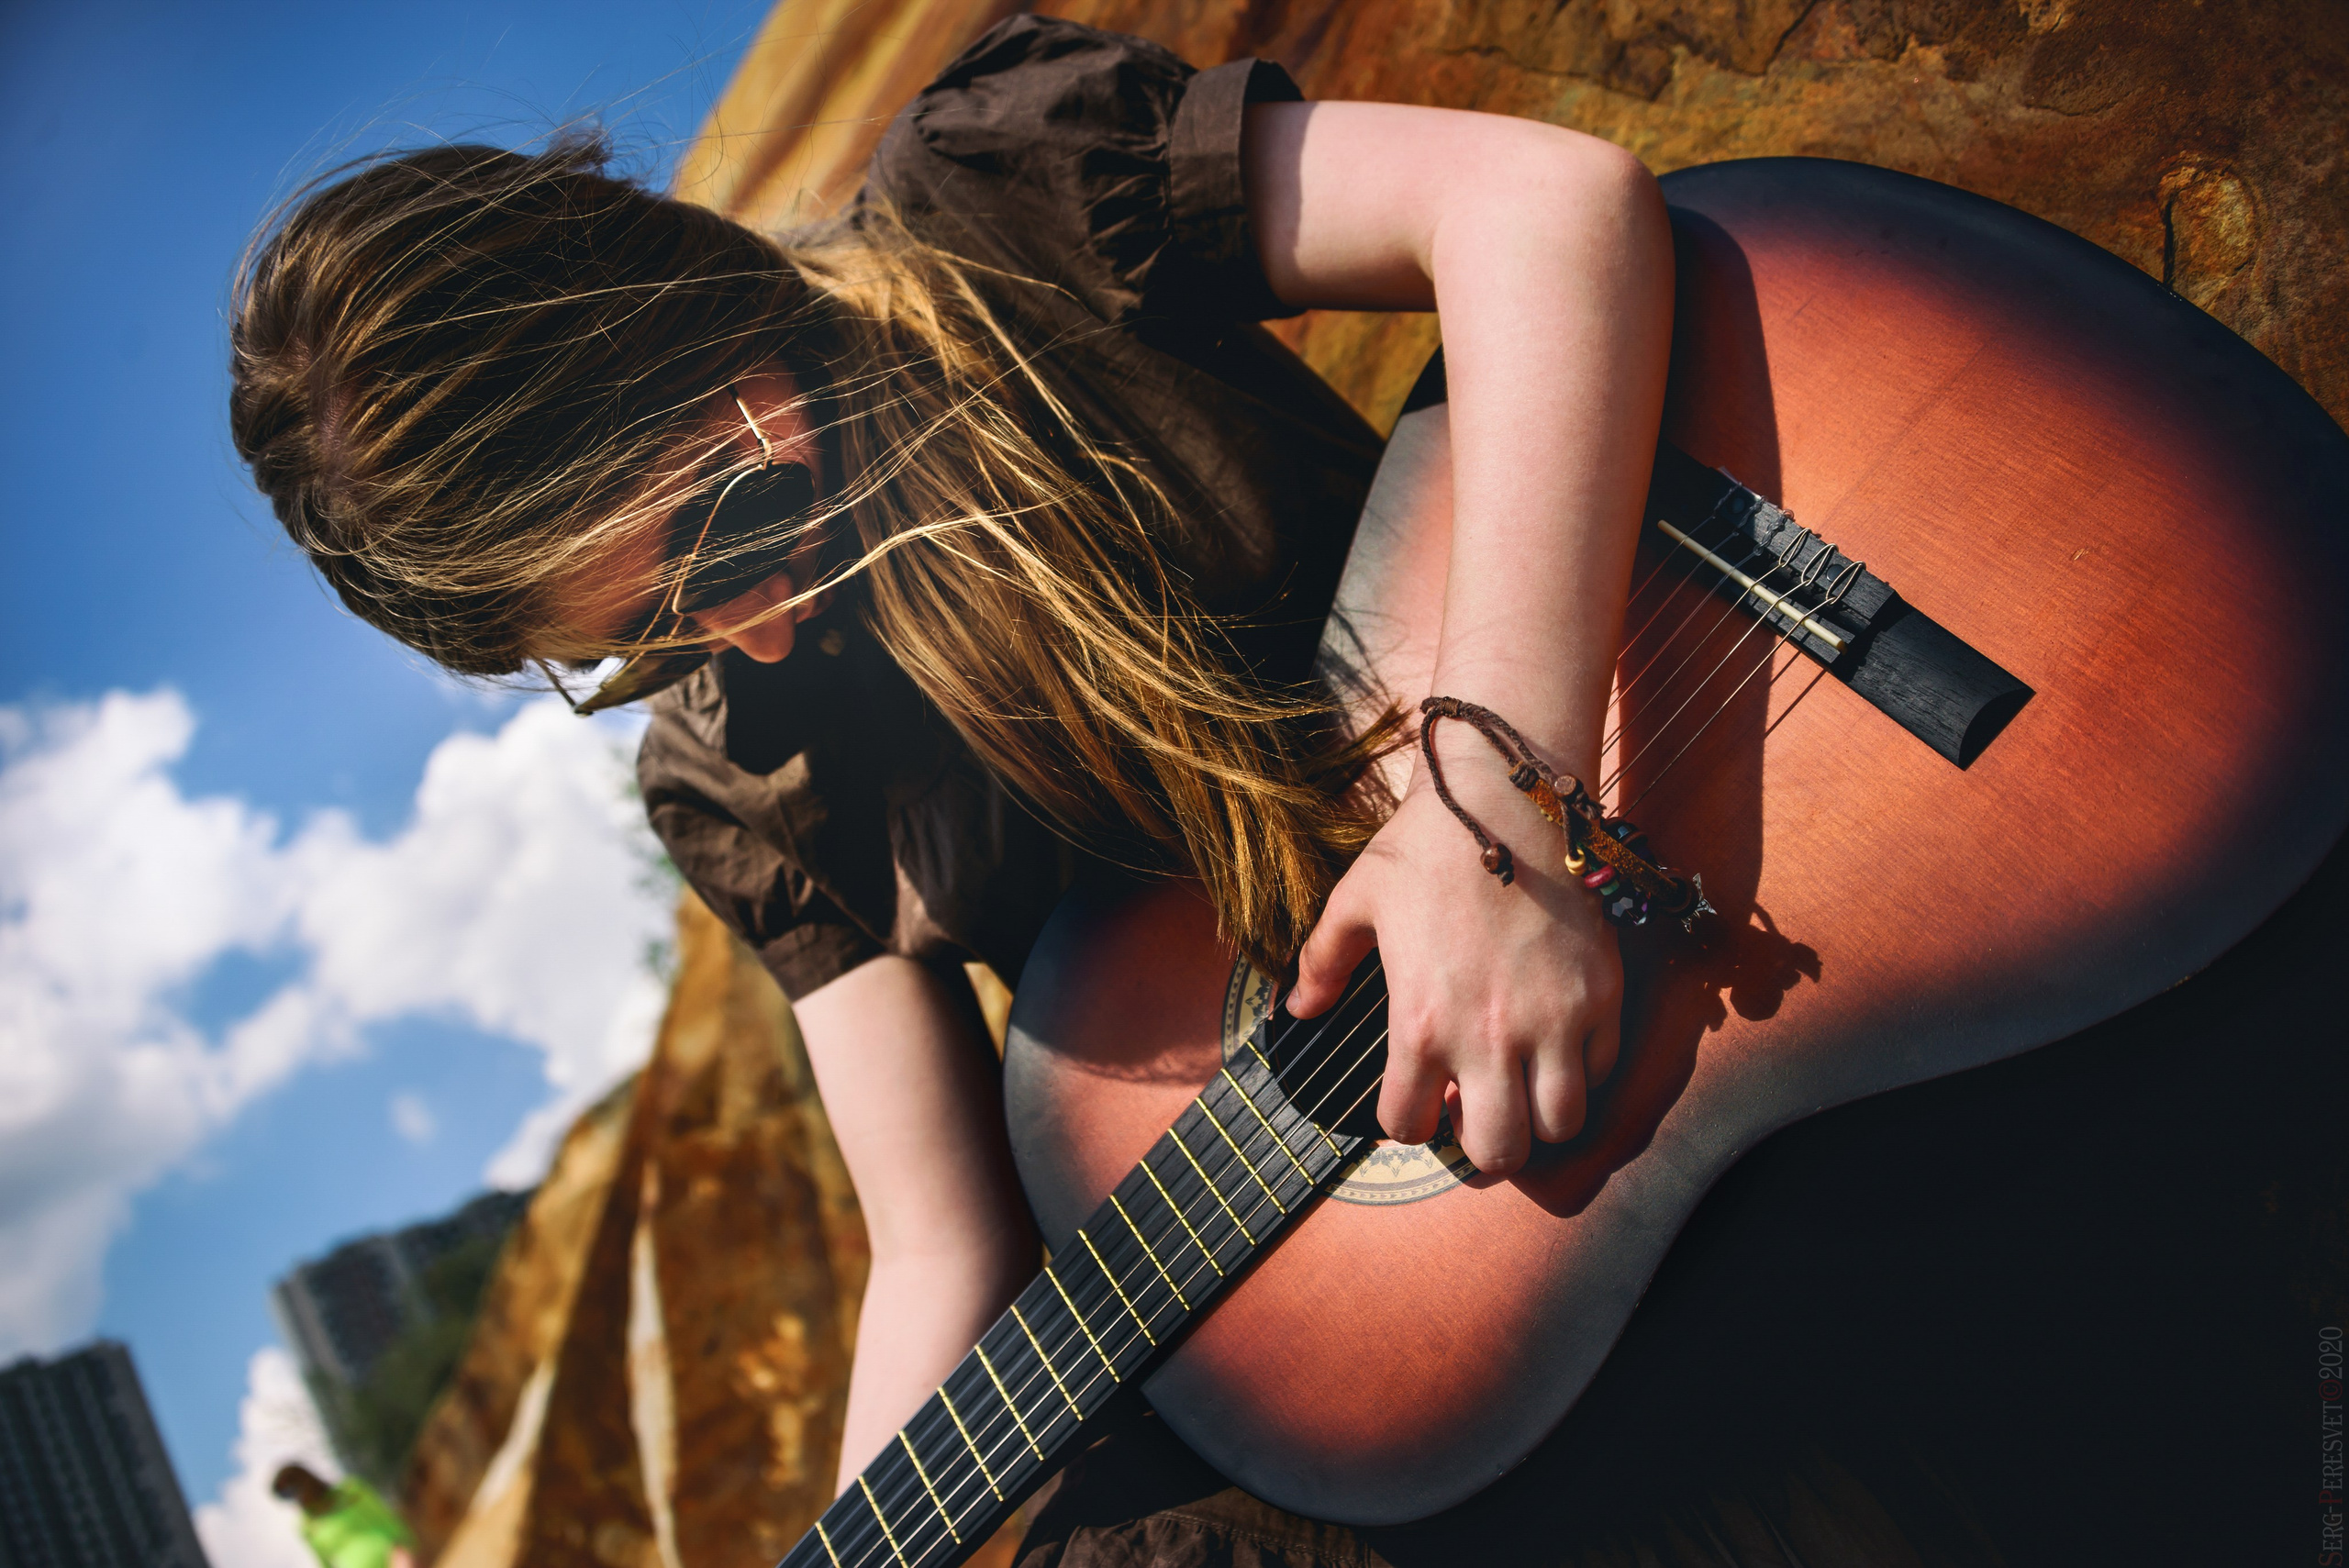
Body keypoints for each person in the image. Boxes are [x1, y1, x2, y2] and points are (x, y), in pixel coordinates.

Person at [230, 14, 1670, 1556]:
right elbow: (942, 1239)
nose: (748, 628)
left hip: (1675, 854)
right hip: (1409, 1242)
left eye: (718, 529)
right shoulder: (728, 778)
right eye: (644, 641)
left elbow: (1543, 207)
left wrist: (1493, 799)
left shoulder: (999, 191)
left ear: (683, 309)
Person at [271, 1464, 416, 1568]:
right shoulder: (306, 1527)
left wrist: (407, 1549)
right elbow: (324, 1563)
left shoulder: (350, 1489)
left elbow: (385, 1518)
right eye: (285, 1496)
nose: (293, 1497)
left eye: (291, 1489)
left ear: (305, 1479)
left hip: (394, 1558)